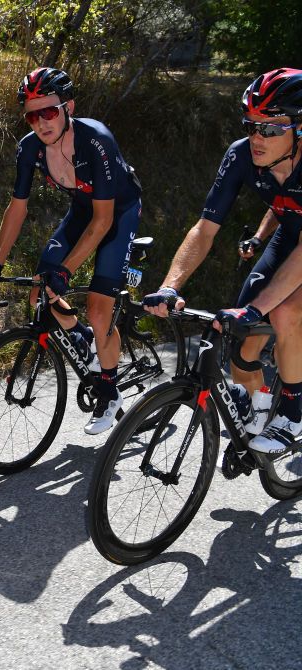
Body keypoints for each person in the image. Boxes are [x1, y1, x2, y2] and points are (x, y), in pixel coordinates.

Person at [143, 68, 302, 454]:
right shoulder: (240, 156)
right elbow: (205, 229)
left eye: (270, 129)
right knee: (239, 336)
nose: (257, 138)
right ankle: (261, 402)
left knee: (282, 312)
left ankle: (293, 412)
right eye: (251, 125)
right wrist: (170, 285)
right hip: (289, 235)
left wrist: (260, 307)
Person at [0, 67, 143, 434]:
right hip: (82, 211)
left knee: (100, 309)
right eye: (32, 115)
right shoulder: (30, 149)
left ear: (68, 107)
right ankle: (81, 339)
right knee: (41, 291)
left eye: (49, 111)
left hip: (117, 213)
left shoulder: (96, 139)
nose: (41, 122)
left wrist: (66, 270)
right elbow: (17, 207)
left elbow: (103, 221)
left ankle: (109, 389)